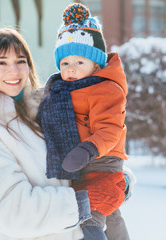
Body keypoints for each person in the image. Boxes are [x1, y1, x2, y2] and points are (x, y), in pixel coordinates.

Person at [0, 27, 134, 240]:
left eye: (21, 61)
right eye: (1, 62)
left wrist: (118, 181)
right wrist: (86, 200)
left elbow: (72, 168)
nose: (14, 71)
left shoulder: (39, 114)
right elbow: (12, 210)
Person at [37, 3, 130, 240]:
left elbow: (110, 129)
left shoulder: (106, 89)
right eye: (65, 63)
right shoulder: (58, 89)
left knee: (93, 208)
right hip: (74, 164)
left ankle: (93, 234)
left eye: (80, 63)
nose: (71, 69)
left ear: (96, 65)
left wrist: (88, 148)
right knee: (112, 214)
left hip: (102, 161)